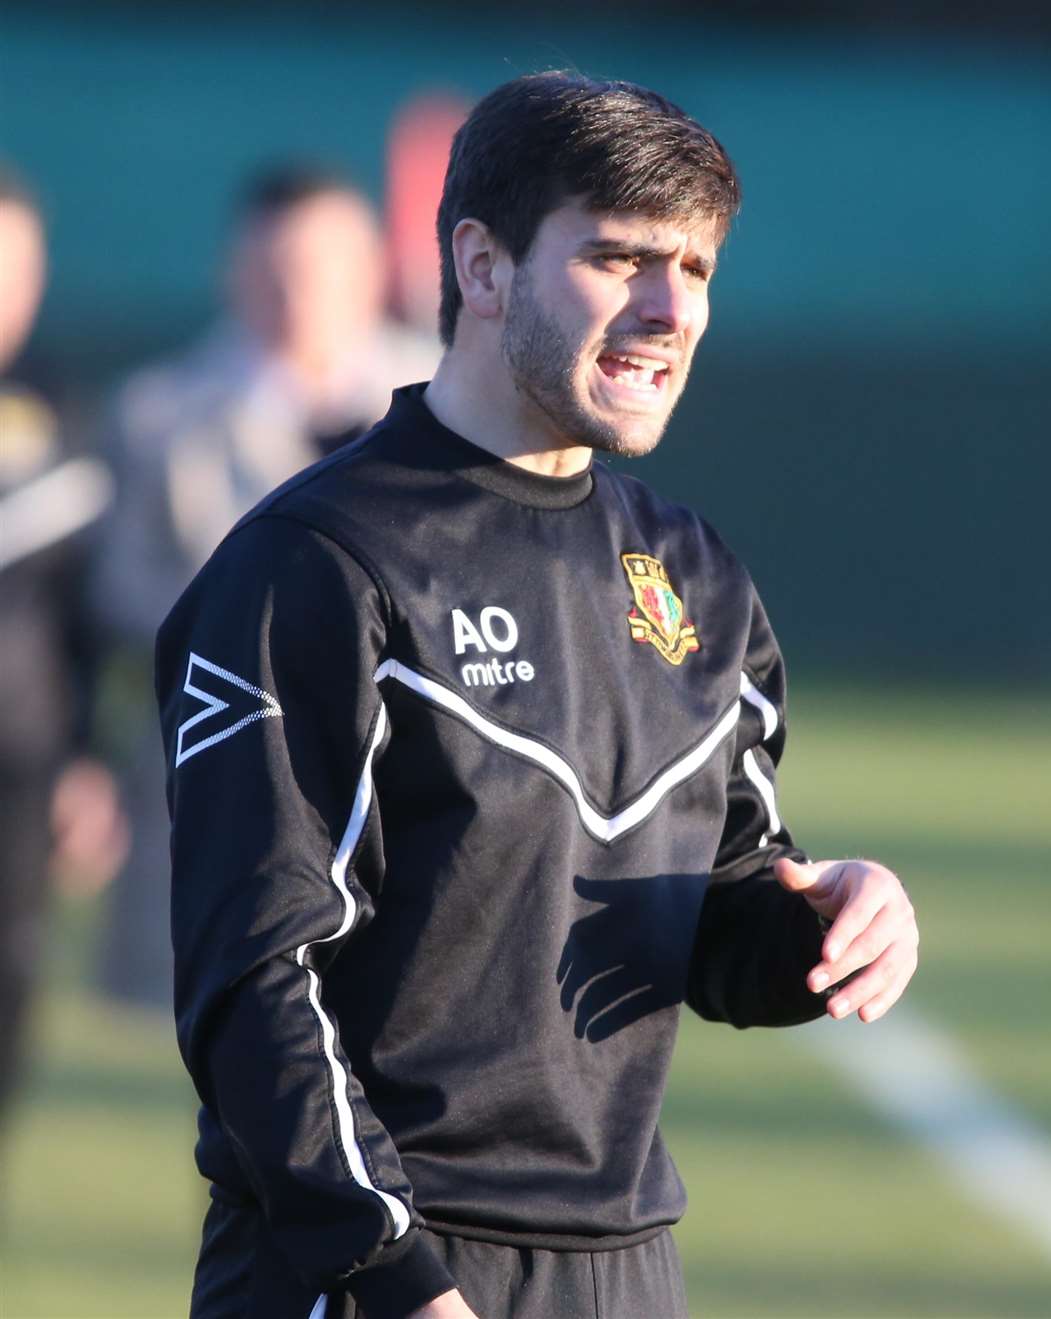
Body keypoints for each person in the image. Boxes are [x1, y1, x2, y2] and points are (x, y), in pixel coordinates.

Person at [156, 74, 920, 1319]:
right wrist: (396, 1276)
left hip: (624, 1269)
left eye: (699, 269)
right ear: (484, 262)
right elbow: (253, 980)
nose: (671, 308)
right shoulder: (314, 566)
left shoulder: (697, 578)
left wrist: (833, 922)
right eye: (620, 258)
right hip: (363, 1272)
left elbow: (723, 912)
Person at [92, 166, 441, 1009]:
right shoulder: (160, 414)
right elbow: (117, 588)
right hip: (228, 772)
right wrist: (244, 619)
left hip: (421, 780)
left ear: (368, 268)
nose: (297, 293)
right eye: (272, 269)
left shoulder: (450, 401)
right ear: (234, 274)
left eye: (318, 267)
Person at [0, 169, 126, 1122]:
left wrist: (89, 759)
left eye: (18, 267)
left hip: (22, 772)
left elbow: (88, 618)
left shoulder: (65, 419)